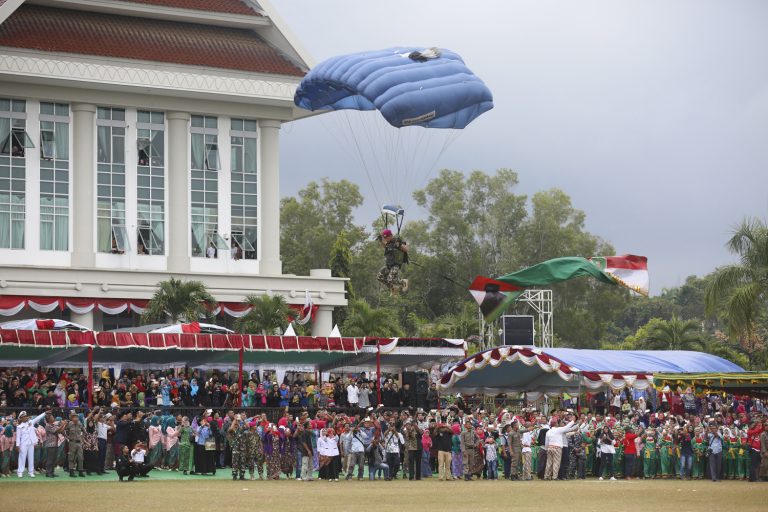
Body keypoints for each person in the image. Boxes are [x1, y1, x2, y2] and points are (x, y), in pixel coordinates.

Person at [376, 229, 409, 294]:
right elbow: (386, 246)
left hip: (395, 265)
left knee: (390, 280)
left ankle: (403, 282)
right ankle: (393, 289)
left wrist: (400, 245)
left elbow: (406, 249)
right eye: (384, 238)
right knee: (379, 277)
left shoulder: (396, 241)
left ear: (390, 236)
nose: (385, 239)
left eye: (386, 237)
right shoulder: (388, 243)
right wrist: (380, 238)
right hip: (388, 265)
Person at [16, 410, 46, 478]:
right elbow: (18, 437)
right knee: (22, 458)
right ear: (21, 418)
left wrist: (44, 413)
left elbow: (38, 418)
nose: (26, 417)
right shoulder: (19, 426)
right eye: (24, 417)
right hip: (23, 444)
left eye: (26, 416)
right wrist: (17, 445)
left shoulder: (31, 422)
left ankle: (31, 472)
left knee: (31, 458)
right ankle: (20, 472)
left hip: (31, 443)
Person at [43, 411, 67, 478]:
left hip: (55, 444)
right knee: (50, 459)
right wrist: (63, 424)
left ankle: (52, 472)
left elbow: (60, 431)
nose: (53, 418)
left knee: (54, 459)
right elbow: (56, 431)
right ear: (49, 419)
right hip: (50, 445)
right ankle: (48, 473)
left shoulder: (53, 425)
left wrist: (64, 425)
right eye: (52, 417)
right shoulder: (48, 425)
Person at [65, 411, 86, 477]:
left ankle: (80, 471)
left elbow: (84, 431)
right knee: (71, 457)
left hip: (79, 443)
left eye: (77, 417)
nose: (76, 418)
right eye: (74, 417)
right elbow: (64, 431)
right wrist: (67, 437)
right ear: (72, 418)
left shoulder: (80, 424)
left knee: (80, 457)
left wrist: (82, 438)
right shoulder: (69, 424)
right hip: (72, 442)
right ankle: (71, 471)